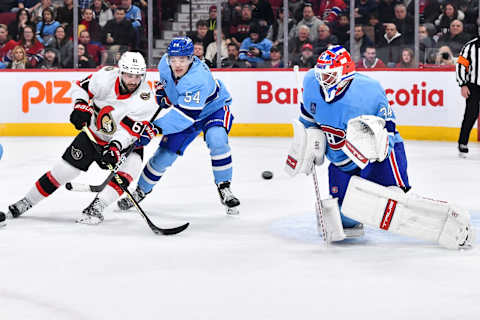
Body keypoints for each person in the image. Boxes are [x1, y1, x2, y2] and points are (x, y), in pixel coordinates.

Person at [285, 45, 474, 249]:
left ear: (346, 74)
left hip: (377, 155)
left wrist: (374, 151)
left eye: (330, 76)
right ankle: (352, 215)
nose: (324, 80)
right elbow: (308, 120)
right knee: (345, 216)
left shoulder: (369, 90)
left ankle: (447, 222)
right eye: (322, 74)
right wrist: (307, 146)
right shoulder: (312, 81)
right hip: (340, 161)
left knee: (393, 202)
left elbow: (389, 128)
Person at [5, 52, 159, 225]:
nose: (133, 80)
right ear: (121, 72)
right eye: (129, 75)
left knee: (131, 168)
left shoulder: (146, 98)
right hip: (92, 135)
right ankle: (26, 201)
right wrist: (80, 105)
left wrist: (115, 147)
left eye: (138, 76)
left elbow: (129, 131)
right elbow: (81, 88)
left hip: (122, 143)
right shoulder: (105, 77)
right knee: (63, 171)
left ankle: (96, 207)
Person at [116, 37, 241, 215]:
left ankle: (224, 187)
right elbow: (167, 85)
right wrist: (164, 93)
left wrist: (154, 128)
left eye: (182, 59)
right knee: (163, 156)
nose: (177, 64)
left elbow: (184, 116)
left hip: (213, 109)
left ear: (191, 58)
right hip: (187, 111)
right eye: (174, 59)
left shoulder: (199, 78)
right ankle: (140, 191)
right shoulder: (164, 64)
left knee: (217, 139)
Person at [456, 37, 480, 158]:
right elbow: (461, 65)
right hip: (474, 86)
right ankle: (463, 142)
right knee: (471, 114)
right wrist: (463, 84)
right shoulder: (470, 46)